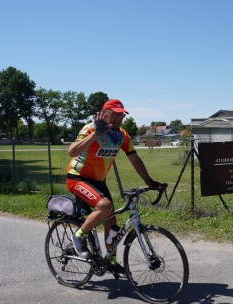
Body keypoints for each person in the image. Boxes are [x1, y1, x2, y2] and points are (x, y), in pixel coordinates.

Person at [66, 99, 161, 276]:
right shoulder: (90, 128)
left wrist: (149, 180)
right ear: (104, 113)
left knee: (112, 221)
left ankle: (110, 261)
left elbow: (134, 158)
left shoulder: (122, 135)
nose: (119, 118)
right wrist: (95, 133)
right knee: (105, 206)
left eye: (121, 114)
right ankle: (78, 236)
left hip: (98, 181)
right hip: (77, 178)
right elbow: (72, 152)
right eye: (114, 114)